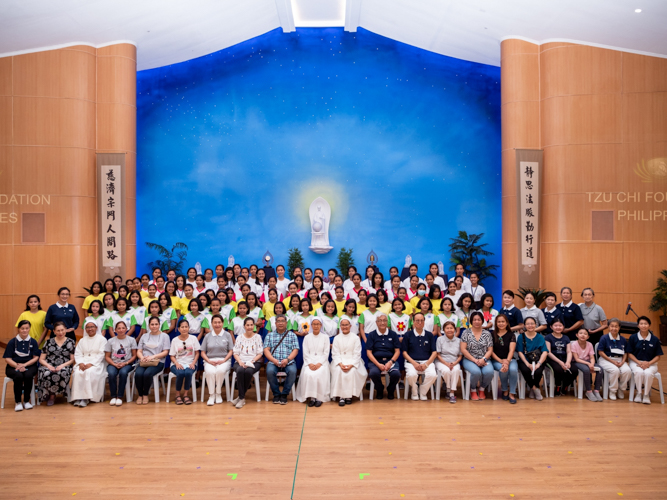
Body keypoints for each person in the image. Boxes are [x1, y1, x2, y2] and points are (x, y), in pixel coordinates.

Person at [3, 320, 41, 411]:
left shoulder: (33, 342)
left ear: (29, 329)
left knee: (28, 375)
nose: (24, 330)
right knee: (18, 375)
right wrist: (17, 366)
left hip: (29, 365)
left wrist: (25, 365)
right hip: (13, 366)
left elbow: (35, 358)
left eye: (27, 328)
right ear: (18, 329)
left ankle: (26, 401)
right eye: (22, 328)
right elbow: (7, 358)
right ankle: (18, 402)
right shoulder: (12, 342)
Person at [70, 322, 108, 407]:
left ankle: (86, 398)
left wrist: (91, 363)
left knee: (89, 372)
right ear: (85, 329)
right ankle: (78, 397)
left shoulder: (102, 339)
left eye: (92, 327)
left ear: (96, 328)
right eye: (87, 327)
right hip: (83, 362)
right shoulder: (82, 340)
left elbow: (101, 354)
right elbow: (78, 353)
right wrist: (80, 363)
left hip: (97, 363)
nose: (90, 329)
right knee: (78, 373)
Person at [263, 314, 299, 404]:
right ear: (275, 323)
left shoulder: (292, 335)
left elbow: (295, 350)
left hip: (288, 361)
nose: (280, 323)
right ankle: (276, 394)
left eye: (282, 321)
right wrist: (273, 360)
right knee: (270, 371)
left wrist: (287, 359)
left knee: (293, 371)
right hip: (273, 361)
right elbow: (266, 350)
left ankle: (284, 394)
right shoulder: (269, 335)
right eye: (278, 321)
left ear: (286, 323)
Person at [331, 318, 368, 406]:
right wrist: (340, 364)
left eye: (346, 325)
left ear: (350, 326)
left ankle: (349, 396)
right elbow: (335, 353)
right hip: (339, 361)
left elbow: (357, 354)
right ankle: (341, 397)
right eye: (342, 325)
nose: (344, 327)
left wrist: (351, 365)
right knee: (338, 371)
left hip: (353, 361)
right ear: (340, 326)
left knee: (352, 371)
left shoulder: (355, 338)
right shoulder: (336, 338)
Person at [627, 316, 663, 404]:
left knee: (648, 373)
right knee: (639, 372)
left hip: (651, 363)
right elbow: (629, 354)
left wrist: (648, 363)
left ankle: (646, 395)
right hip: (636, 362)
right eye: (641, 324)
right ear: (638, 326)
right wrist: (640, 362)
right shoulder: (633, 337)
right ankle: (639, 393)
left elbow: (658, 356)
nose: (643, 326)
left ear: (649, 325)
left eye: (645, 324)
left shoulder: (655, 339)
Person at [38, 322, 75, 406]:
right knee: (47, 372)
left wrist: (62, 365)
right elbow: (41, 359)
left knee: (61, 372)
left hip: (64, 365)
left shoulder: (71, 342)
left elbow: (72, 359)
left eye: (62, 330)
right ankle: (51, 394)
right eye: (58, 330)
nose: (60, 332)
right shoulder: (48, 342)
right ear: (54, 331)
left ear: (65, 330)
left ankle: (53, 395)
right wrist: (48, 366)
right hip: (49, 364)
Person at [401, 313, 437, 400]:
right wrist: (414, 363)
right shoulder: (407, 335)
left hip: (426, 361)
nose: (420, 322)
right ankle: (414, 391)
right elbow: (404, 353)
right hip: (411, 362)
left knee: (433, 375)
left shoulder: (429, 335)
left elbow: (434, 352)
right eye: (417, 320)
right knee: (411, 375)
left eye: (422, 320)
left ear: (424, 322)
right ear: (413, 322)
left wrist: (426, 364)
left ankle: (423, 391)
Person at [296, 318, 331, 406]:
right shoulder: (307, 337)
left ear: (321, 325)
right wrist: (310, 363)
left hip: (322, 361)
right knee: (308, 373)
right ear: (311, 325)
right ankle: (311, 397)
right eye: (314, 324)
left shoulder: (325, 337)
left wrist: (320, 363)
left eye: (318, 324)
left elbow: (326, 353)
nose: (316, 326)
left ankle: (319, 398)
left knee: (319, 373)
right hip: (309, 361)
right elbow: (305, 352)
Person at [135, 317, 170, 404]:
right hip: (144, 361)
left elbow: (165, 352)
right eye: (152, 324)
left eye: (156, 324)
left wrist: (153, 357)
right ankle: (140, 395)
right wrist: (142, 357)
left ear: (159, 325)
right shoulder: (144, 336)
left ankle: (145, 394)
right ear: (149, 325)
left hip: (158, 362)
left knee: (147, 374)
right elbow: (139, 350)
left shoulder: (165, 336)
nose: (154, 326)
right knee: (138, 374)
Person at [200, 315, 234, 405]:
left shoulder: (227, 335)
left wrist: (224, 360)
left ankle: (218, 393)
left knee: (220, 370)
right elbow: (202, 352)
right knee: (210, 372)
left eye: (219, 322)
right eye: (215, 322)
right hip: (209, 360)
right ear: (211, 324)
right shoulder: (207, 336)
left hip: (224, 359)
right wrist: (209, 361)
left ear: (223, 323)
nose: (217, 324)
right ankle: (211, 395)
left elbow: (231, 351)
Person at [366, 313, 401, 400]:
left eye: (384, 320)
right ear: (376, 322)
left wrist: (391, 362)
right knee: (373, 373)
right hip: (376, 361)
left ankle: (391, 390)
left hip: (390, 360)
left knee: (396, 374)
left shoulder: (393, 334)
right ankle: (379, 389)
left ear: (387, 322)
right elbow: (369, 352)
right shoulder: (371, 335)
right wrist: (378, 364)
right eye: (380, 321)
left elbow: (397, 351)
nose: (382, 323)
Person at [460, 311, 494, 401]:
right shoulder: (466, 333)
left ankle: (482, 388)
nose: (477, 321)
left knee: (489, 372)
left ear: (482, 321)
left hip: (484, 359)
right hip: (469, 359)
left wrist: (483, 359)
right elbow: (463, 349)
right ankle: (473, 389)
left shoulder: (487, 334)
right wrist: (475, 360)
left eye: (479, 319)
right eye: (474, 320)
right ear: (471, 321)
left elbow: (490, 350)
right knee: (476, 372)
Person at [231, 317, 264, 409]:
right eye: (247, 325)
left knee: (249, 372)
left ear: (254, 326)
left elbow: (260, 353)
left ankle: (240, 398)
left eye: (251, 325)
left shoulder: (258, 337)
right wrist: (240, 362)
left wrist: (251, 361)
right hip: (240, 361)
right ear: (244, 326)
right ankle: (241, 398)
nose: (249, 327)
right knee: (241, 371)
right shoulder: (239, 337)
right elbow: (236, 353)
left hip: (254, 361)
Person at [597, 318, 632, 401]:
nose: (614, 328)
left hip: (619, 360)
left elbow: (625, 353)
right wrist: (612, 362)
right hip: (606, 360)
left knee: (627, 371)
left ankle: (621, 389)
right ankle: (612, 391)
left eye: (616, 326)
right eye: (612, 326)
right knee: (615, 370)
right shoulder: (604, 338)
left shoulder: (623, 339)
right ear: (608, 327)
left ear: (619, 328)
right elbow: (600, 352)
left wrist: (623, 362)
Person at [104, 322, 137, 406]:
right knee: (111, 374)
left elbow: (134, 355)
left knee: (123, 373)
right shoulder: (110, 341)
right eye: (119, 328)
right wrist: (114, 364)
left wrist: (125, 363)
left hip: (127, 363)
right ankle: (113, 396)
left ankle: (120, 396)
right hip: (113, 363)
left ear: (126, 329)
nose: (121, 330)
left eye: (123, 328)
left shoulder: (131, 340)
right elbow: (107, 357)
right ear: (115, 330)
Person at [169, 319, 201, 405]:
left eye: (186, 327)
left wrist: (193, 363)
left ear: (189, 328)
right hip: (177, 363)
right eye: (182, 327)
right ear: (179, 329)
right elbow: (172, 355)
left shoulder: (193, 338)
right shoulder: (174, 340)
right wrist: (177, 363)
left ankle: (186, 395)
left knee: (188, 373)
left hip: (190, 363)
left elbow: (197, 353)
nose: (184, 329)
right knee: (180, 373)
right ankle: (178, 395)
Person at [516, 317, 548, 400]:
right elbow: (520, 352)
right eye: (528, 324)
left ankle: (532, 388)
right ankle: (535, 389)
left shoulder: (540, 337)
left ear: (536, 325)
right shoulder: (520, 337)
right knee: (526, 370)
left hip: (538, 360)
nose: (530, 325)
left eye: (532, 323)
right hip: (525, 360)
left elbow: (545, 351)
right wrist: (527, 363)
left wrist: (539, 364)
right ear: (525, 325)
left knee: (538, 371)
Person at [545, 318, 578, 397]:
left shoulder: (566, 338)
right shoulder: (548, 337)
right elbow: (548, 352)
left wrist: (568, 362)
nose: (558, 327)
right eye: (555, 325)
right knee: (558, 369)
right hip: (552, 359)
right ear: (551, 327)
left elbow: (569, 351)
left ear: (563, 327)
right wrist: (559, 362)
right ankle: (558, 385)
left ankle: (565, 385)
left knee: (574, 370)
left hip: (564, 358)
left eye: (560, 325)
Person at [490, 314, 518, 403]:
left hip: (510, 359)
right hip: (496, 360)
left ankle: (512, 393)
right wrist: (501, 361)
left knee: (513, 370)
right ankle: (505, 390)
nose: (501, 323)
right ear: (496, 323)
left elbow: (511, 350)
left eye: (503, 321)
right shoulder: (491, 334)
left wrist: (507, 361)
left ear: (507, 323)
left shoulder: (511, 335)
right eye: (499, 322)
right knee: (503, 369)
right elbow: (491, 351)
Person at [571, 328, 604, 402]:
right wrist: (589, 364)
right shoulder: (574, 344)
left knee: (600, 369)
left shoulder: (589, 344)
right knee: (586, 370)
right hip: (578, 362)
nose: (583, 335)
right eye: (581, 333)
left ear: (588, 337)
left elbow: (592, 357)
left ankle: (596, 390)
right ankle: (588, 391)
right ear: (577, 335)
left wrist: (592, 364)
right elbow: (576, 359)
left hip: (588, 361)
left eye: (585, 334)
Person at [434, 321, 462, 403]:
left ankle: (452, 393)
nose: (449, 330)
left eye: (451, 328)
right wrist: (446, 363)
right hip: (441, 361)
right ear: (443, 330)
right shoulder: (440, 339)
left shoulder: (459, 340)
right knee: (446, 371)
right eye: (447, 328)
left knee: (456, 370)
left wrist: (454, 363)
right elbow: (438, 355)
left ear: (455, 330)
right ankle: (448, 389)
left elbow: (460, 355)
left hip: (454, 361)